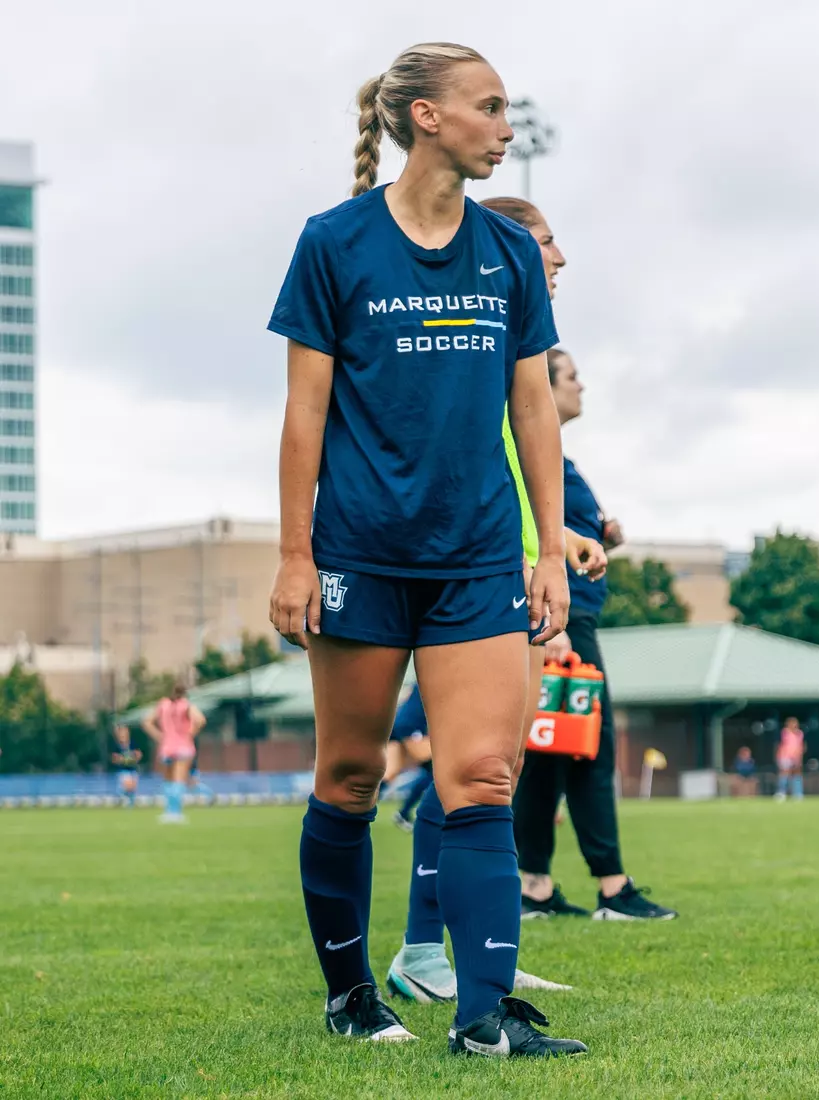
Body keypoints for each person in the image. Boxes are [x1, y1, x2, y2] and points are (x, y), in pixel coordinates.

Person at [267, 43, 587, 1057]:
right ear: (425, 119)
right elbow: (303, 415)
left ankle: (484, 1013)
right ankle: (351, 993)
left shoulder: (503, 252)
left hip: (479, 555)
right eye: (487, 107)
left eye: (505, 110)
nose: (503, 124)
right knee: (351, 776)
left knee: (483, 774)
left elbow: (532, 403)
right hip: (360, 551)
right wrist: (292, 553)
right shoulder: (334, 243)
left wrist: (545, 547)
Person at [386, 194, 604, 1004]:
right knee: (474, 772)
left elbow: (514, 467)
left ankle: (470, 952)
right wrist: (521, 557)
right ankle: (422, 950)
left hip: (510, 563)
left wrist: (558, 541)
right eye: (548, 240)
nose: (559, 257)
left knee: (491, 773)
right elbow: (484, 465)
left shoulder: (512, 342)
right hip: (482, 573)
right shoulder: (490, 349)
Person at [513, 347, 679, 921]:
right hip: (559, 620)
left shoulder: (557, 455)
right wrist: (548, 626)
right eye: (573, 377)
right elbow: (519, 524)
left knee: (549, 753)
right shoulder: (527, 447)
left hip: (564, 615)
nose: (581, 386)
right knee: (589, 749)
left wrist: (602, 532)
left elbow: (563, 526)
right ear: (544, 383)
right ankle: (613, 888)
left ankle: (531, 885)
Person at [142, 683, 207, 825]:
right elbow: (201, 720)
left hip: (166, 746)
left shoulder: (163, 704)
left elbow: (147, 721)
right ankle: (176, 813)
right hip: (183, 746)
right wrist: (190, 734)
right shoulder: (186, 705)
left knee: (169, 779)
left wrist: (159, 736)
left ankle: (168, 812)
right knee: (179, 779)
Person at [383, 684, 433, 831]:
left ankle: (357, 812)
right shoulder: (436, 677)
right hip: (410, 726)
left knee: (389, 773)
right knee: (436, 770)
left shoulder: (418, 682)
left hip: (398, 723)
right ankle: (404, 813)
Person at [110, 723, 142, 808]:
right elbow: (114, 759)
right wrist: (123, 759)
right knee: (128, 785)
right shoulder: (117, 746)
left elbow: (138, 755)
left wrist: (133, 758)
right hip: (123, 770)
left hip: (133, 769)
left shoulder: (133, 743)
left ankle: (130, 805)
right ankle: (122, 797)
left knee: (133, 787)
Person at [775, 717, 806, 801]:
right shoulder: (785, 733)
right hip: (785, 757)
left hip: (796, 757)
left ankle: (798, 793)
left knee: (797, 775)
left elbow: (801, 746)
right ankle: (781, 792)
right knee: (784, 774)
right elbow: (780, 745)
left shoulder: (800, 734)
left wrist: (799, 757)